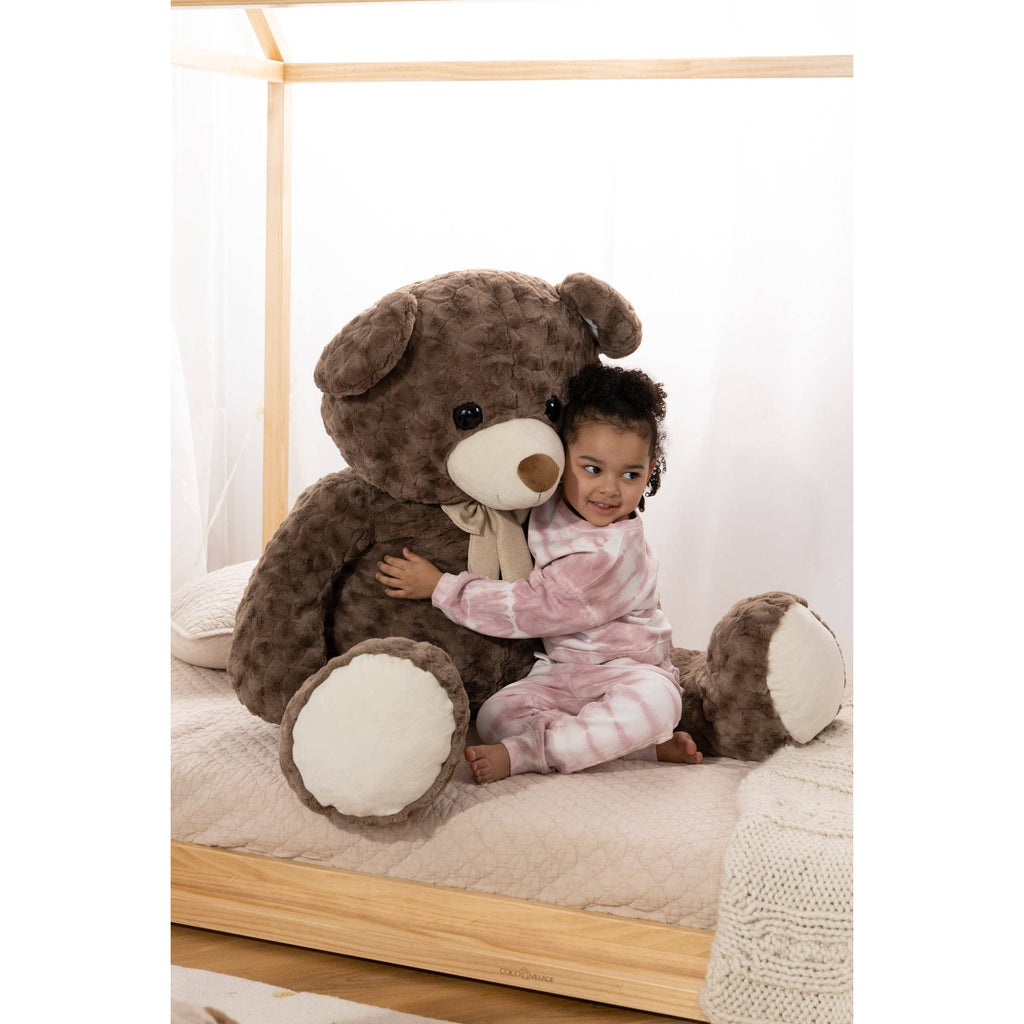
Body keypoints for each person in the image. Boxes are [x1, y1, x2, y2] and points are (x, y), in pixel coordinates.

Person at [376, 362, 702, 784]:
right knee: (494, 715)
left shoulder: (610, 553)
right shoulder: (550, 502)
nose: (609, 488)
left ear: (650, 470)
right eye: (592, 468)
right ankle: (642, 749)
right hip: (562, 670)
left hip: (628, 669)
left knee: (657, 706)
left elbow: (530, 607)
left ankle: (532, 753)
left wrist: (441, 586)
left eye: (630, 475)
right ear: (562, 457)